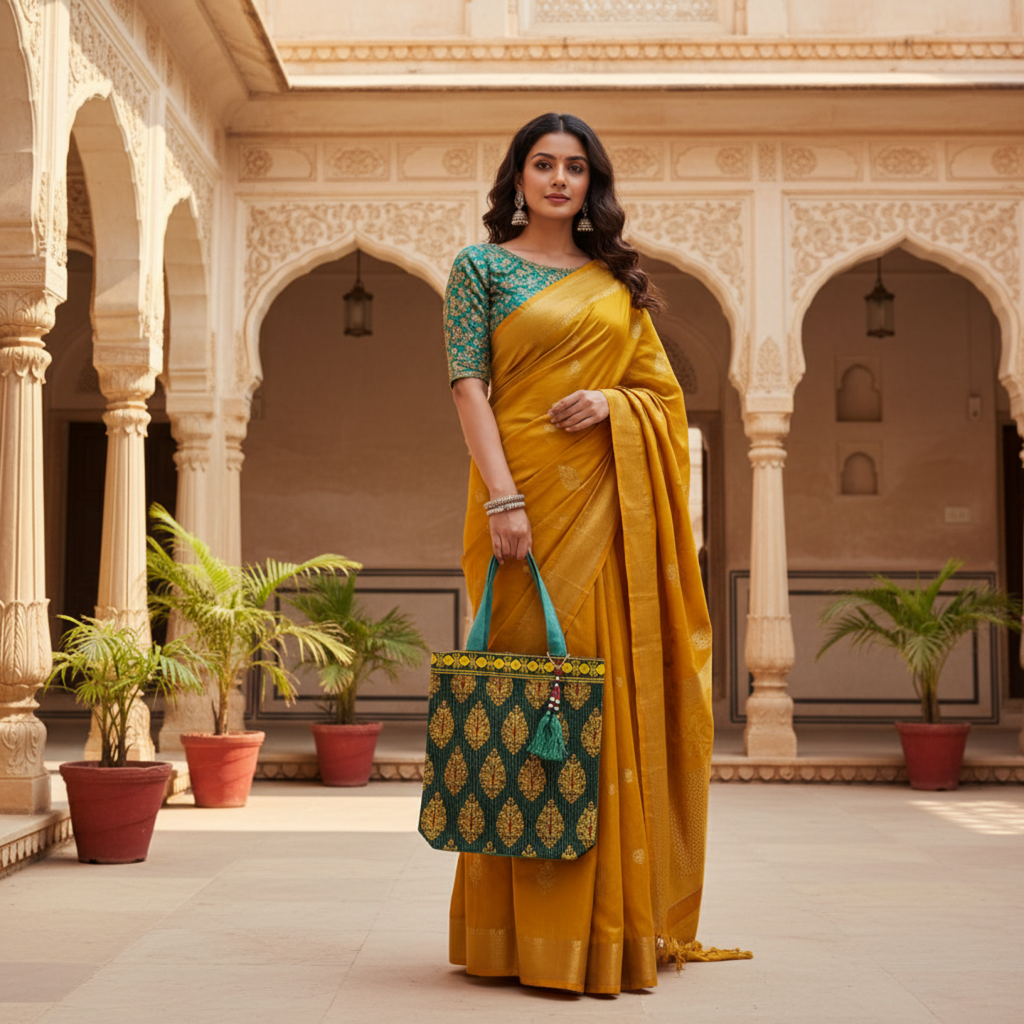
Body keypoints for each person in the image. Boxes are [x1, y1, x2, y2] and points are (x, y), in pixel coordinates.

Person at [444, 112, 746, 994]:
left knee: (595, 712)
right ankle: (512, 933)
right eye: (543, 164)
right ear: (519, 176)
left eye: (576, 167)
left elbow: (661, 395)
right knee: (522, 712)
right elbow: (469, 385)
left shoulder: (616, 283)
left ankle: (608, 928)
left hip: (609, 521)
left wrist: (615, 407)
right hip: (518, 510)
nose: (560, 180)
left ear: (593, 184)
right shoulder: (482, 268)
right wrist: (504, 498)